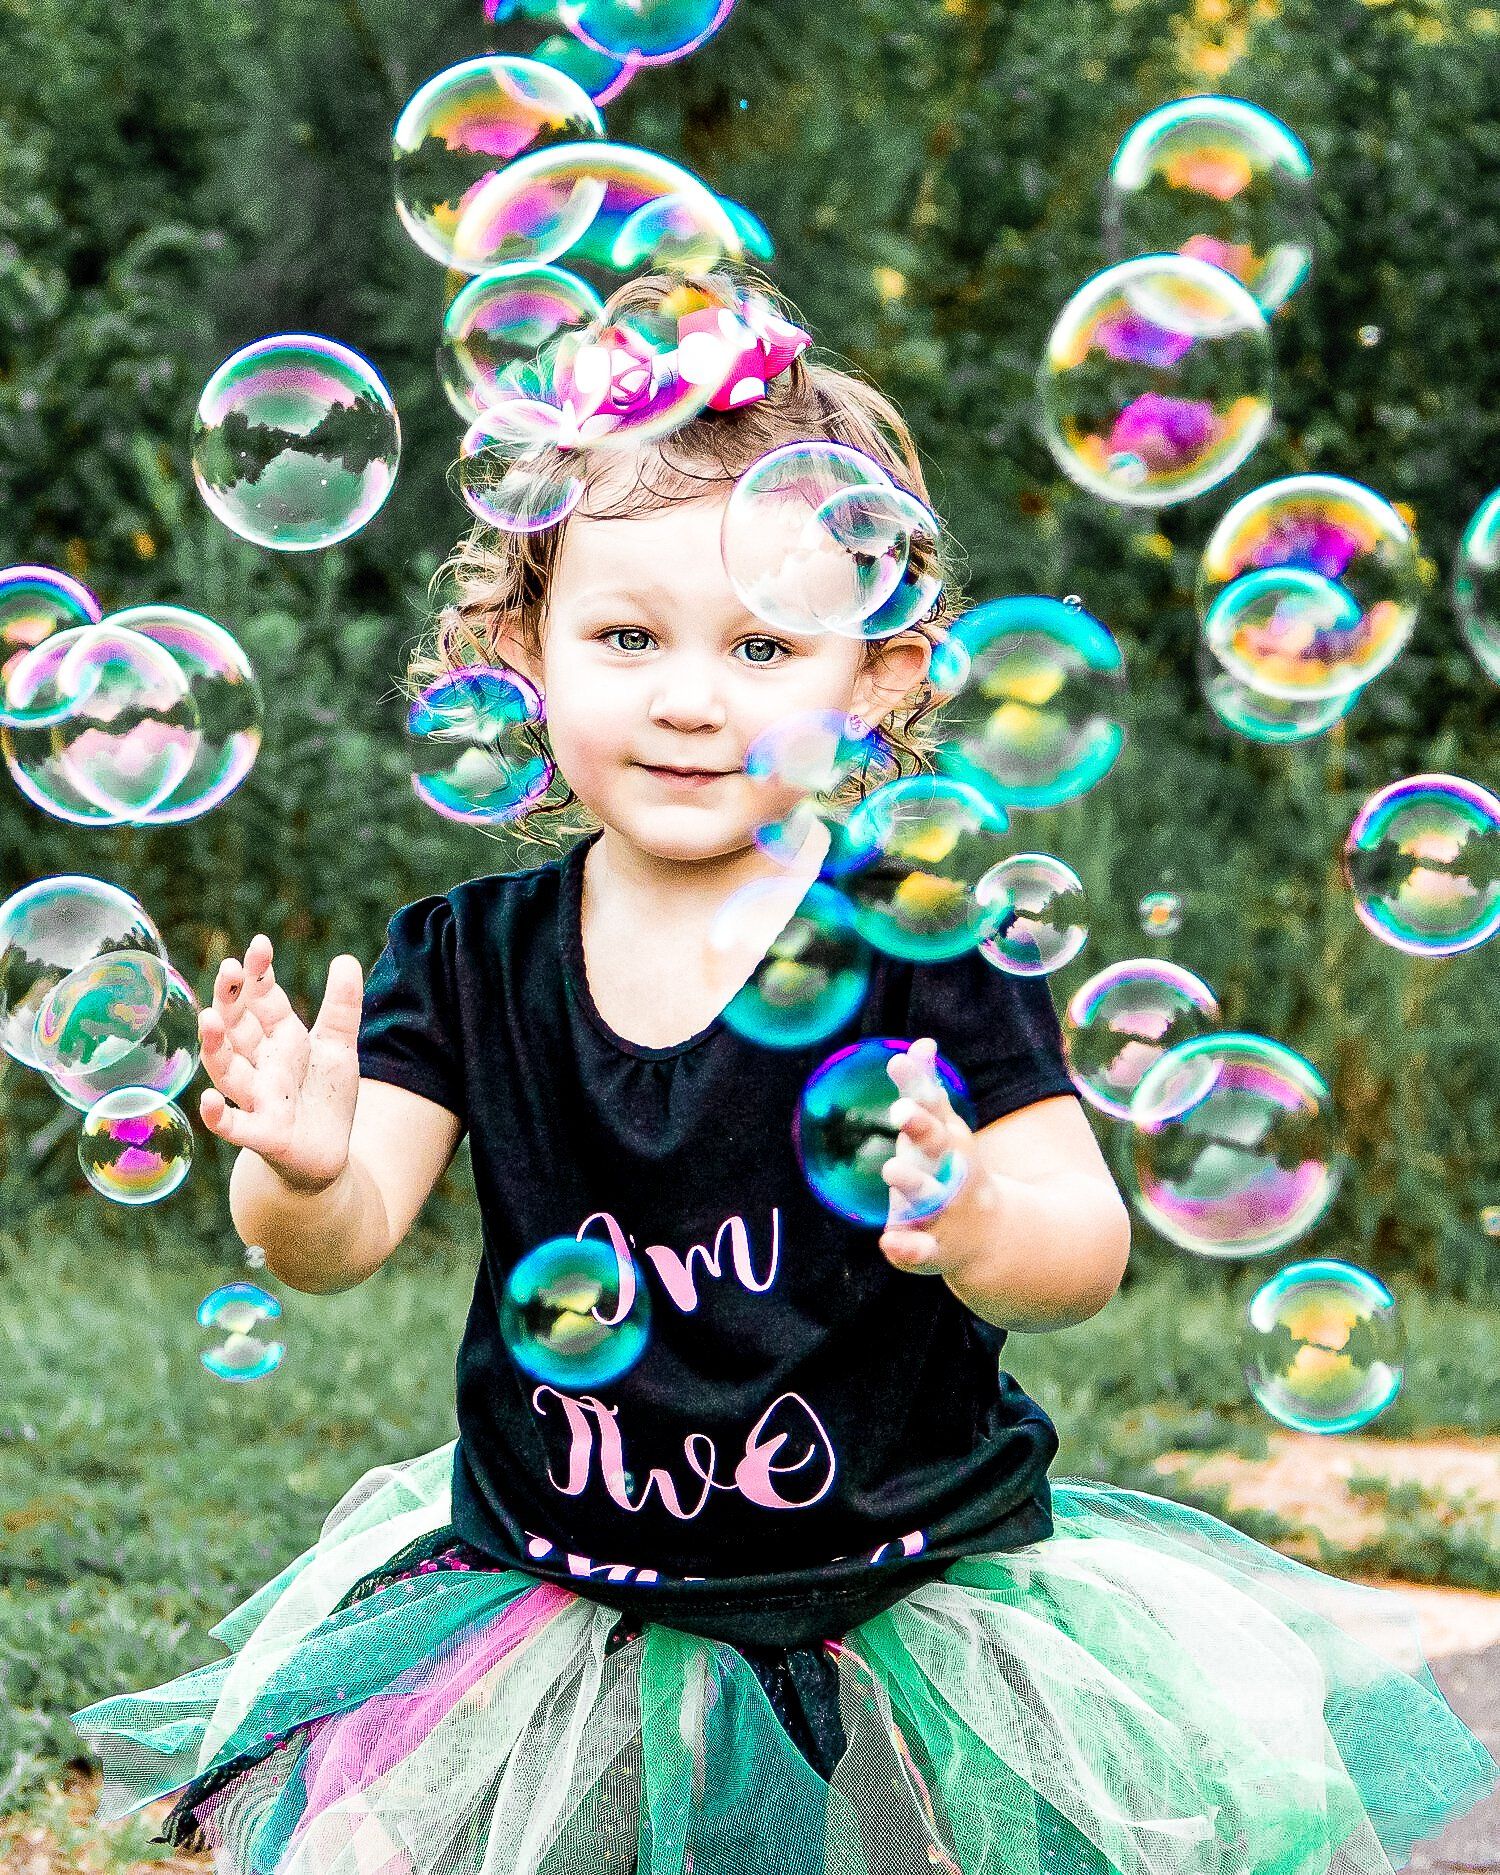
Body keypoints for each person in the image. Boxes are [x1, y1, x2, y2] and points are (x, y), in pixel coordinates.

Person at [72, 269, 1497, 1875]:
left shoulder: (925, 943)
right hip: (560, 1598)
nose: (689, 697)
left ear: (878, 676)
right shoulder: (466, 959)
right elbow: (330, 1251)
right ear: (523, 649)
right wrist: (307, 1168)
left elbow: (1080, 1252)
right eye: (626, 634)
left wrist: (971, 1226)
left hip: (898, 1595)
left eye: (762, 644)